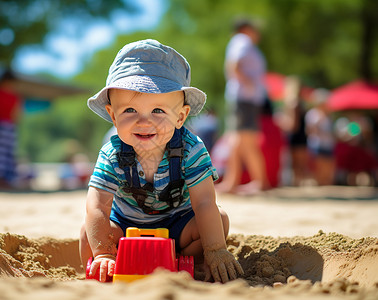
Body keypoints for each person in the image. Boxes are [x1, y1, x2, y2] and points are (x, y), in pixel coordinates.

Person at [79, 39, 244, 283]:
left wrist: (215, 250)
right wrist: (103, 252)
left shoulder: (191, 149)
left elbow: (205, 202)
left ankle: (189, 261)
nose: (144, 122)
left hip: (178, 227)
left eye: (158, 111)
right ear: (113, 116)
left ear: (180, 116)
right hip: (125, 229)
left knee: (218, 220)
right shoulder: (111, 153)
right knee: (87, 232)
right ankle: (103, 271)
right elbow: (97, 206)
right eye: (130, 111)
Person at [216, 20, 268, 194]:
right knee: (243, 140)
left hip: (246, 99)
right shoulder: (242, 40)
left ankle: (238, 182)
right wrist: (249, 84)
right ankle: (258, 181)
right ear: (246, 29)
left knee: (240, 140)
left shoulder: (243, 43)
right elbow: (234, 65)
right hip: (245, 98)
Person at [305, 88, 335, 185]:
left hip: (328, 144)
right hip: (317, 144)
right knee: (319, 168)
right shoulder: (312, 114)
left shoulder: (328, 115)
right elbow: (310, 130)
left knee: (328, 168)